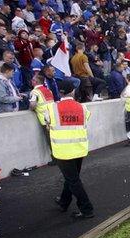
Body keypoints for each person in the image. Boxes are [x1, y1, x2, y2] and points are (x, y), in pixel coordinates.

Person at [48, 81, 94, 219]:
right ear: (72, 91)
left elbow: (47, 122)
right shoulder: (82, 107)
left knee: (73, 180)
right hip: (79, 148)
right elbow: (86, 120)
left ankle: (87, 209)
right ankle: (64, 201)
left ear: (60, 93)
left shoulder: (52, 108)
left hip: (62, 150)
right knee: (72, 178)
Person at [29, 74, 56, 165]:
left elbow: (33, 104)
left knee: (50, 139)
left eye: (33, 80)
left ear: (35, 82)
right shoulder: (48, 90)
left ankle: (55, 158)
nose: (31, 81)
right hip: (52, 116)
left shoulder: (35, 92)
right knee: (55, 138)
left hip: (44, 119)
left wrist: (31, 109)